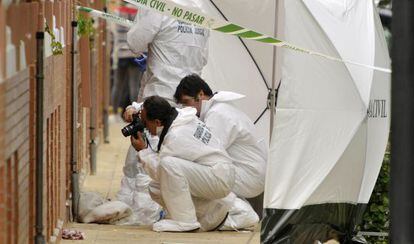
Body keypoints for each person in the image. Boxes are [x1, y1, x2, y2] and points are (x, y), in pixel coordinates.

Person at [130, 96, 236, 232]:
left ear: (157, 122)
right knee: (156, 188)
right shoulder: (181, 118)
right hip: (217, 173)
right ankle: (210, 213)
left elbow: (161, 172)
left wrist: (143, 151)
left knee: (168, 165)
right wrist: (135, 109)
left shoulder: (175, 136)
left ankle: (186, 222)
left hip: (218, 178)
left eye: (145, 122)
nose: (143, 126)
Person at [174, 74, 268, 199]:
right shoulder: (219, 109)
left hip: (249, 177)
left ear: (200, 95)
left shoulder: (218, 114)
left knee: (181, 169)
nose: (186, 108)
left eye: (186, 102)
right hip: (249, 174)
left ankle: (231, 215)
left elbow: (206, 154)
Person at [126, 1, 209, 104]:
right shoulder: (202, 8)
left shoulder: (158, 4)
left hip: (160, 98)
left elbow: (135, 43)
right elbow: (204, 58)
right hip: (190, 101)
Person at [110, 3, 143, 116]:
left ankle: (113, 112)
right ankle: (136, 112)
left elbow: (114, 31)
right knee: (134, 85)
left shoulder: (118, 12)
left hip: (121, 53)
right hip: (134, 54)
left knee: (117, 84)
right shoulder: (139, 11)